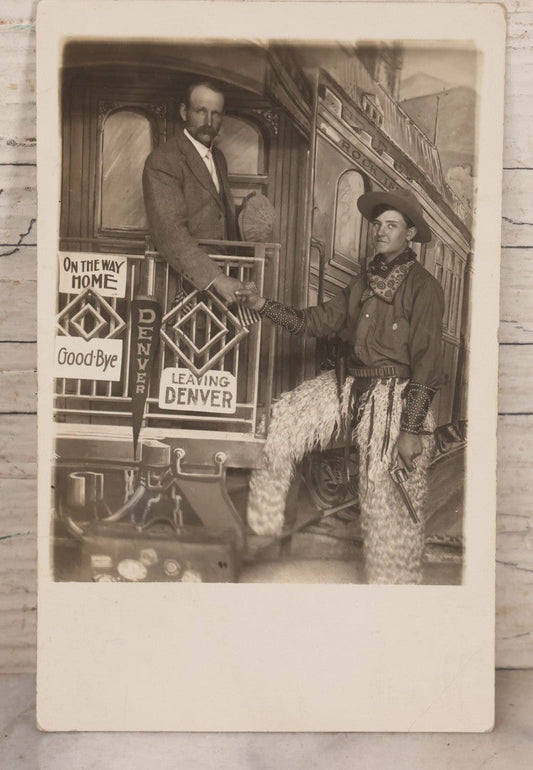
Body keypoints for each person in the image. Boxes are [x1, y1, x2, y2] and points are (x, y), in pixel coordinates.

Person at [240, 188, 445, 584]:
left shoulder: (425, 288)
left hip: (396, 396)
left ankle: (393, 582)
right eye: (377, 225)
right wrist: (262, 305)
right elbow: (313, 321)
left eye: (391, 226)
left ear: (409, 234)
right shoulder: (363, 281)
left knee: (382, 492)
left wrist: (410, 430)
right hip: (351, 385)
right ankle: (262, 528)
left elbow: (428, 364)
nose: (381, 232)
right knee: (284, 419)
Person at [143, 80, 244, 303]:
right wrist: (217, 279)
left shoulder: (219, 158)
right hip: (181, 289)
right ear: (184, 112)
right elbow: (170, 233)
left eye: (216, 114)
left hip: (221, 290)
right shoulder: (163, 160)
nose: (209, 121)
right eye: (201, 111)